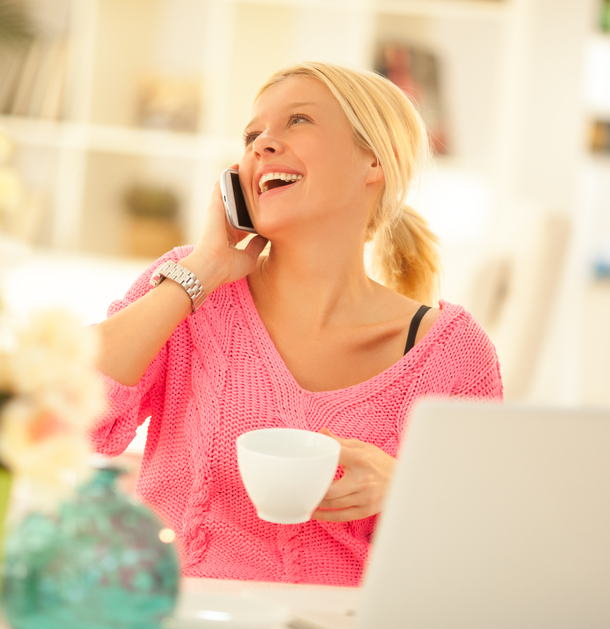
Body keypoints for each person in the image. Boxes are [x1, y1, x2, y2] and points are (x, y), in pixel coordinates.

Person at [89, 62, 502, 586]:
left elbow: (486, 539)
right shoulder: (189, 290)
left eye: (298, 121)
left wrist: (406, 484)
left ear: (377, 159)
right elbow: (69, 412)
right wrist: (203, 270)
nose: (263, 144)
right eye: (252, 134)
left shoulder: (451, 353)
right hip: (177, 624)